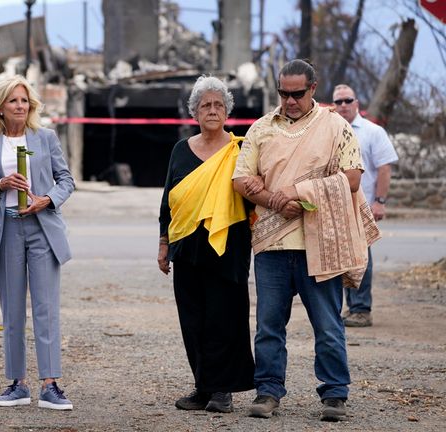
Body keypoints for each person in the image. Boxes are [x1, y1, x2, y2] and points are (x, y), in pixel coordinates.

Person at [232, 59, 380, 422]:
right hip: (272, 245)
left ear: (313, 89)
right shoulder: (262, 127)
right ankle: (267, 392)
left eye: (297, 93)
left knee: (328, 324)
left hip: (321, 239)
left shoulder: (335, 126)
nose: (289, 101)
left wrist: (299, 194)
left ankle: (334, 394)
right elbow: (241, 179)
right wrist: (275, 201)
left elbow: (352, 179)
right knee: (268, 326)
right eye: (283, 93)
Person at [0, 75, 75, 410]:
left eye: (24, 101)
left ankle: (50, 384)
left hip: (41, 228)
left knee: (46, 309)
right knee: (12, 311)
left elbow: (66, 180)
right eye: (13, 100)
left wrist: (48, 199)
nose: (19, 106)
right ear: (0, 106)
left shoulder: (45, 137)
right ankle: (17, 384)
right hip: (6, 230)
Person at [157, 76, 257, 414]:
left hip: (229, 247)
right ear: (194, 113)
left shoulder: (241, 149)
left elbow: (253, 196)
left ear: (227, 111)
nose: (211, 110)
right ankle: (203, 387)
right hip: (186, 246)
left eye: (217, 105)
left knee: (224, 317)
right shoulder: (180, 149)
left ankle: (223, 391)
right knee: (193, 319)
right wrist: (163, 242)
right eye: (205, 106)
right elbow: (168, 201)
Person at [333, 84, 399, 328]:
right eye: (338, 102)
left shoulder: (373, 132)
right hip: (335, 207)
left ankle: (361, 309)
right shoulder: (331, 131)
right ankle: (347, 309)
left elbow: (384, 168)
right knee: (339, 259)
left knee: (361, 258)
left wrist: (379, 202)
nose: (343, 106)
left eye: (347, 100)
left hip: (362, 206)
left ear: (356, 102)